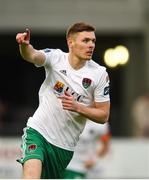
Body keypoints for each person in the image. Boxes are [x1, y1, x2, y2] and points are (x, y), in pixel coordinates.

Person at [16, 22, 110, 179]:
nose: (91, 45)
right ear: (70, 42)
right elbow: (32, 55)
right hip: (39, 131)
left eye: (93, 41)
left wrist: (77, 107)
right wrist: (24, 46)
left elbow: (104, 115)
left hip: (64, 147)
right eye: (85, 40)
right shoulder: (55, 58)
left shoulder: (99, 74)